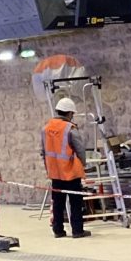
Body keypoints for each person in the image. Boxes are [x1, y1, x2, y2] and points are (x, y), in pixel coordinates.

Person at [42, 97, 90, 239]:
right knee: (75, 202)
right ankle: (77, 230)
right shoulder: (70, 128)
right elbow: (80, 149)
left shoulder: (45, 128)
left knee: (58, 203)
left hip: (55, 173)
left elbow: (43, 151)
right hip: (70, 172)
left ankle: (58, 230)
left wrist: (48, 168)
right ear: (69, 113)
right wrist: (83, 164)